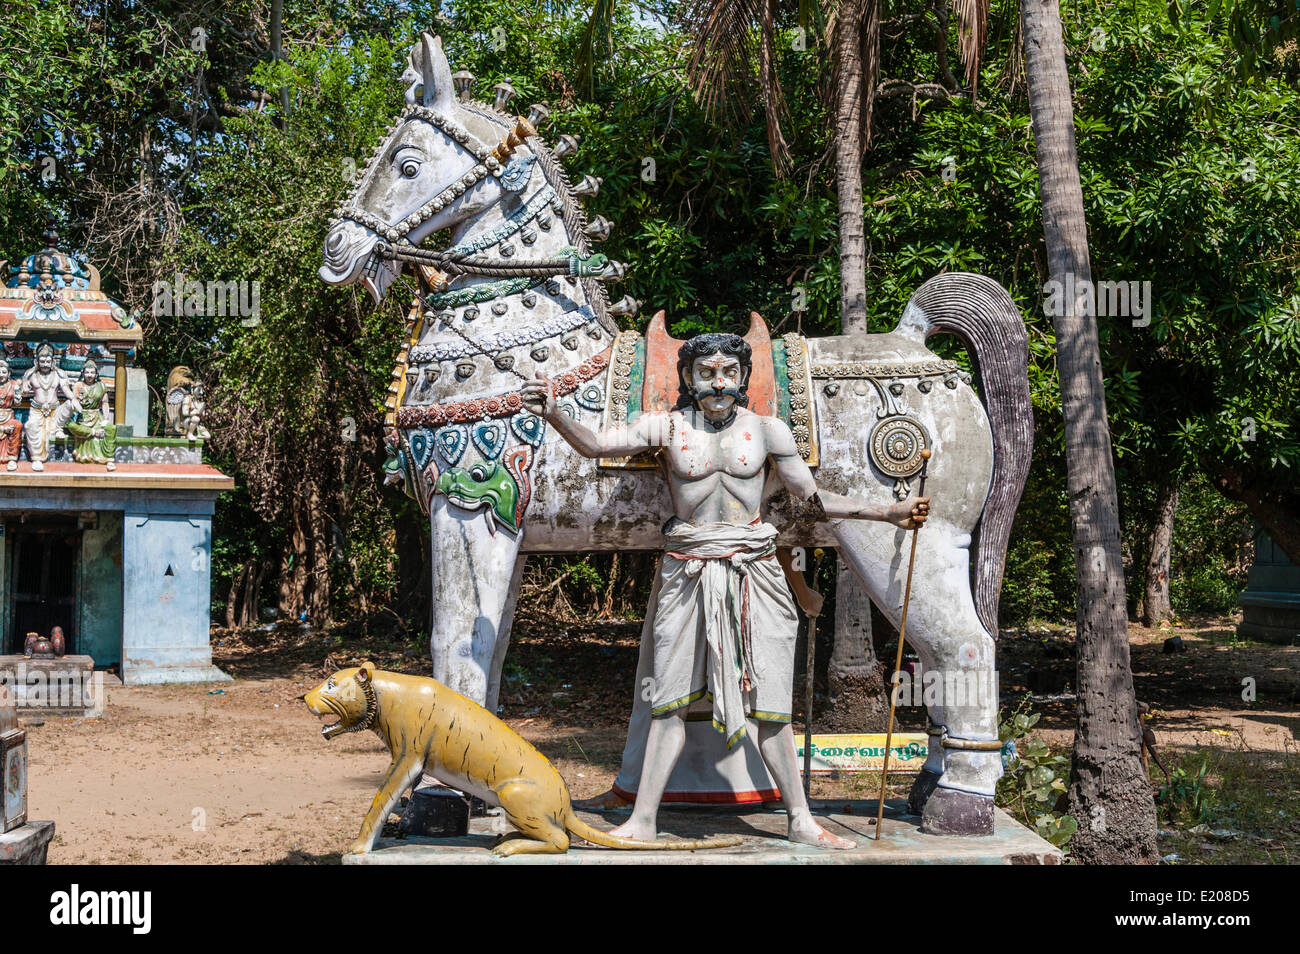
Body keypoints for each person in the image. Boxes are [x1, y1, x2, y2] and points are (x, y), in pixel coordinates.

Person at [523, 331, 928, 848]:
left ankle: (800, 819)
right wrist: (554, 413)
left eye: (729, 372)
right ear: (688, 378)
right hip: (687, 570)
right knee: (668, 700)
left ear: (743, 378)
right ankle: (643, 819)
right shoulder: (667, 427)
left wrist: (885, 512)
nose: (719, 382)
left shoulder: (767, 430)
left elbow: (810, 499)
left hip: (754, 572)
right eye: (706, 372)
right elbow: (598, 444)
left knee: (772, 702)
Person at [65, 361, 117, 470]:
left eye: (92, 372)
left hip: (97, 417)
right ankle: (91, 436)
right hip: (82, 417)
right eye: (87, 372)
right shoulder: (78, 385)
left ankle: (109, 459)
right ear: (83, 373)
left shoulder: (101, 386)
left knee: (111, 429)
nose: (89, 375)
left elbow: (105, 403)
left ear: (96, 374)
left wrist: (106, 419)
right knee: (71, 426)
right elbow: (73, 403)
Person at [0, 361, 24, 470]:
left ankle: (12, 459)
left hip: (8, 415)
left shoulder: (13, 385)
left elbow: (17, 403)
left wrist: (18, 397)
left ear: (8, 373)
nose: (1, 375)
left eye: (4, 372)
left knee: (17, 425)